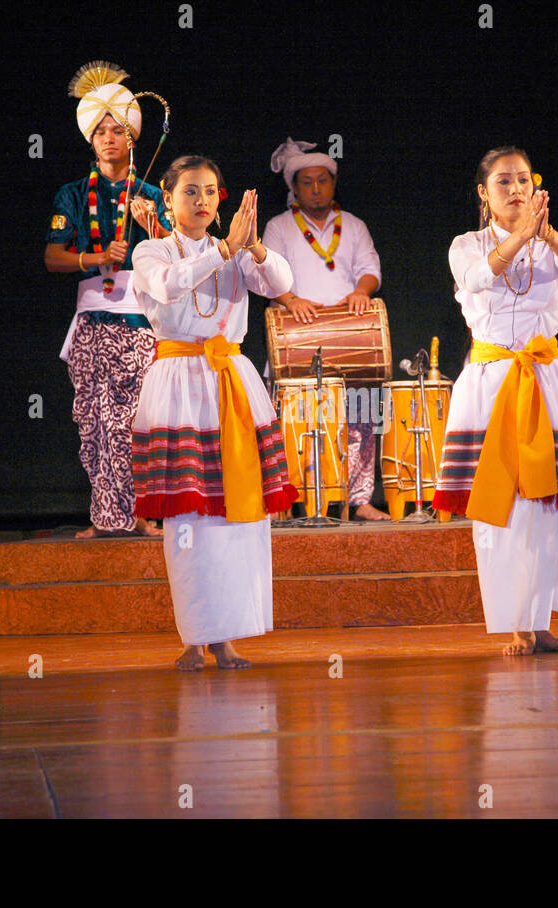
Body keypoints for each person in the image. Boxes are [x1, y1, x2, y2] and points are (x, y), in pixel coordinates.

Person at [431, 147, 558, 656]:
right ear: (484, 194)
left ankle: (542, 619)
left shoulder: (552, 242)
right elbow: (477, 277)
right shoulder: (466, 244)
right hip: (492, 383)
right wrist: (520, 237)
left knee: (549, 506)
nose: (516, 189)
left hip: (547, 379)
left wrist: (545, 236)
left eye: (524, 180)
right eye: (504, 181)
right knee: (503, 506)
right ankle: (515, 623)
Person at [130, 156, 297, 671]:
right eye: (189, 192)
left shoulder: (239, 251)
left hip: (231, 382)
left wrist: (255, 247)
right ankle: (194, 635)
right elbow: (167, 287)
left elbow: (278, 284)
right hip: (179, 386)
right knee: (189, 518)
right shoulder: (151, 250)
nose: (201, 201)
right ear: (167, 197)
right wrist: (225, 249)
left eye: (209, 192)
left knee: (235, 513)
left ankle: (227, 635)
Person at [45, 61, 169, 539]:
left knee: (131, 420)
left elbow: (173, 257)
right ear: (90, 140)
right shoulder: (73, 195)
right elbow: (53, 256)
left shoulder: (154, 193)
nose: (108, 138)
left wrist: (152, 225)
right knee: (92, 419)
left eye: (117, 130)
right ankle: (104, 517)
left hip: (137, 319)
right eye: (100, 131)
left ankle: (139, 512)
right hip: (91, 319)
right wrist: (96, 256)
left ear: (133, 139)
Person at [262, 137, 388, 519]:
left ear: (332, 184)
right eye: (307, 182)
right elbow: (266, 273)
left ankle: (360, 500)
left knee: (360, 420)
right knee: (292, 421)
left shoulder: (353, 225)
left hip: (350, 334)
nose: (316, 188)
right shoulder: (278, 226)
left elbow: (370, 269)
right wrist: (290, 301)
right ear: (294, 188)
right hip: (296, 335)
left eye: (323, 180)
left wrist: (361, 293)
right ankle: (287, 500)